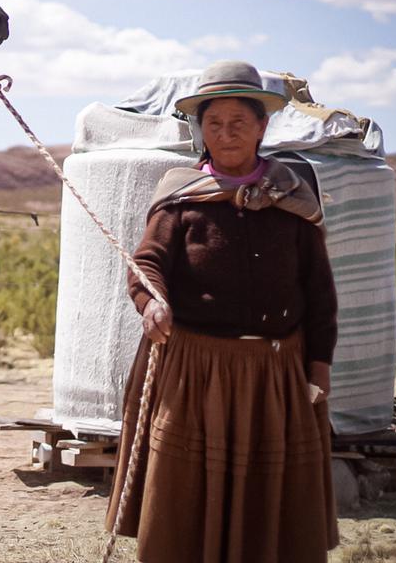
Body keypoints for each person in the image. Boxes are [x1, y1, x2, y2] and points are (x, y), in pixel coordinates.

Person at [106, 60, 339, 562]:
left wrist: (318, 364)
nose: (226, 133)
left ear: (262, 126)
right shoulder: (180, 196)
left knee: (270, 497)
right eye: (214, 124)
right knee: (187, 496)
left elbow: (319, 290)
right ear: (201, 131)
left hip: (276, 374)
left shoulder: (293, 197)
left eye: (239, 123)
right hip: (197, 372)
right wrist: (153, 302)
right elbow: (146, 263)